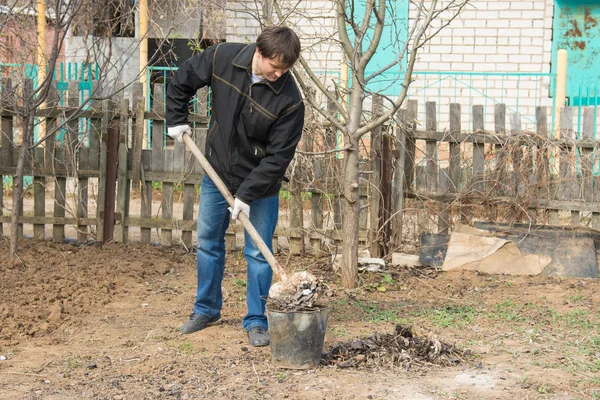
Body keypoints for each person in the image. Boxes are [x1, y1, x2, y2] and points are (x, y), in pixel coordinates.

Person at [165, 26, 304, 347]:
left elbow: (278, 157)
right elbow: (183, 77)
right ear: (259, 53)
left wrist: (247, 194)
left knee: (258, 252)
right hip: (216, 171)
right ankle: (206, 309)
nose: (279, 73)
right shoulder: (224, 58)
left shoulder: (290, 100)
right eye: (275, 66)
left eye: (286, 68)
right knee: (208, 243)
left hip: (261, 184)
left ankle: (256, 320)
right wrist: (176, 118)